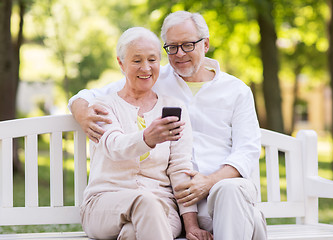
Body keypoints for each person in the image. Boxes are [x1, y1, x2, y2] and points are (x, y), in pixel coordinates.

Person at [70, 11, 267, 240]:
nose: (180, 54)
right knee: (136, 228)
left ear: (205, 44)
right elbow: (90, 95)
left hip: (223, 190)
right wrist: (82, 112)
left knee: (230, 192)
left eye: (187, 45)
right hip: (179, 202)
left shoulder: (237, 90)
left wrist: (209, 182)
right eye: (172, 47)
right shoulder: (152, 76)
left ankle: (248, 218)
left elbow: (248, 151)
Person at [79, 26, 212, 240]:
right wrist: (147, 138)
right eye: (137, 60)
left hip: (162, 209)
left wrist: (191, 227)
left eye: (152, 60)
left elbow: (180, 169)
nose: (146, 68)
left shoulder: (174, 108)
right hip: (105, 204)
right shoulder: (103, 105)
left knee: (133, 233)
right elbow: (115, 146)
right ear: (121, 63)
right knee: (145, 200)